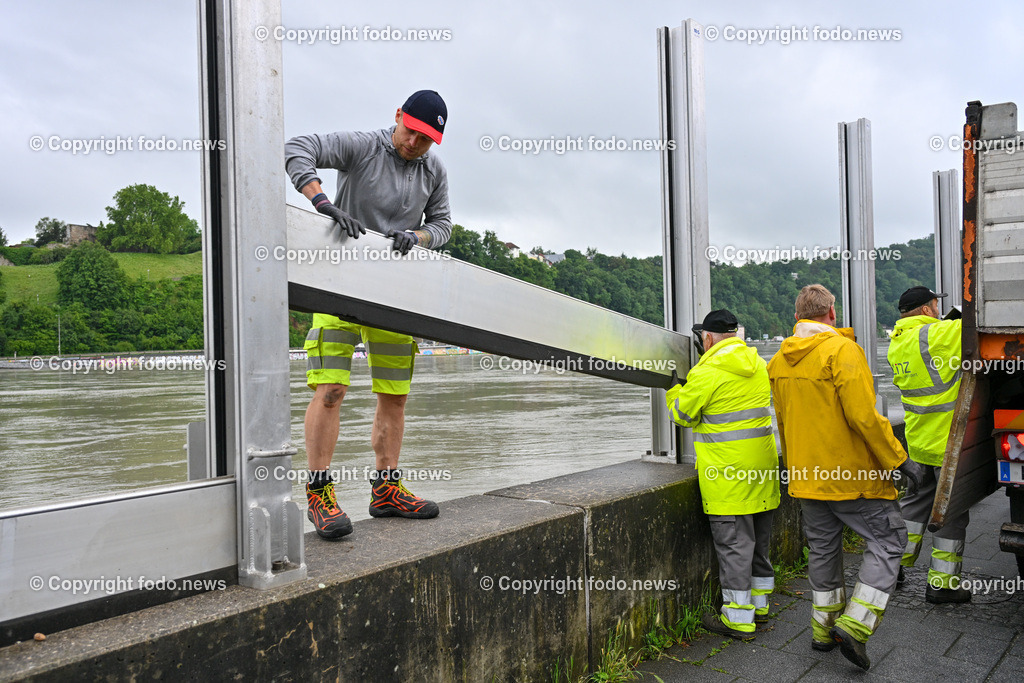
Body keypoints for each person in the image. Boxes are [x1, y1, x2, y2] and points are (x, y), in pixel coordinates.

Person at [284, 90, 452, 539]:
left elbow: (443, 225)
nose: (417, 144)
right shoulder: (361, 145)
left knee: (394, 395)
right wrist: (321, 202)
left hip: (393, 294)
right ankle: (320, 493)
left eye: (427, 140)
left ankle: (386, 490)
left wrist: (417, 237)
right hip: (337, 284)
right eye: (412, 133)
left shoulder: (433, 169)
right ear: (398, 116)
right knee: (331, 389)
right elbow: (297, 148)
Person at [767, 284, 919, 671]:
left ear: (797, 317)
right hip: (852, 478)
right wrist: (898, 460)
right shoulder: (842, 351)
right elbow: (864, 417)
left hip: (808, 478)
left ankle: (823, 631)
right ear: (831, 313)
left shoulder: (778, 363)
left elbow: (783, 424)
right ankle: (856, 624)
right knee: (888, 541)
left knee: (822, 549)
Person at [666, 309, 780, 640]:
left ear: (709, 338)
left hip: (728, 476)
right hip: (763, 471)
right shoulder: (758, 364)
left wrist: (674, 390)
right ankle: (760, 606)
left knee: (734, 546)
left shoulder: (708, 371)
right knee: (759, 544)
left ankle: (738, 618)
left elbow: (683, 415)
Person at [887, 286, 970, 603]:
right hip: (946, 444)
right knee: (951, 513)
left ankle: (892, 568)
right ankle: (942, 585)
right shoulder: (936, 335)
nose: (938, 311)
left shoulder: (896, 343)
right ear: (925, 309)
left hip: (917, 443)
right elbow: (974, 324)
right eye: (936, 305)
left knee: (914, 507)